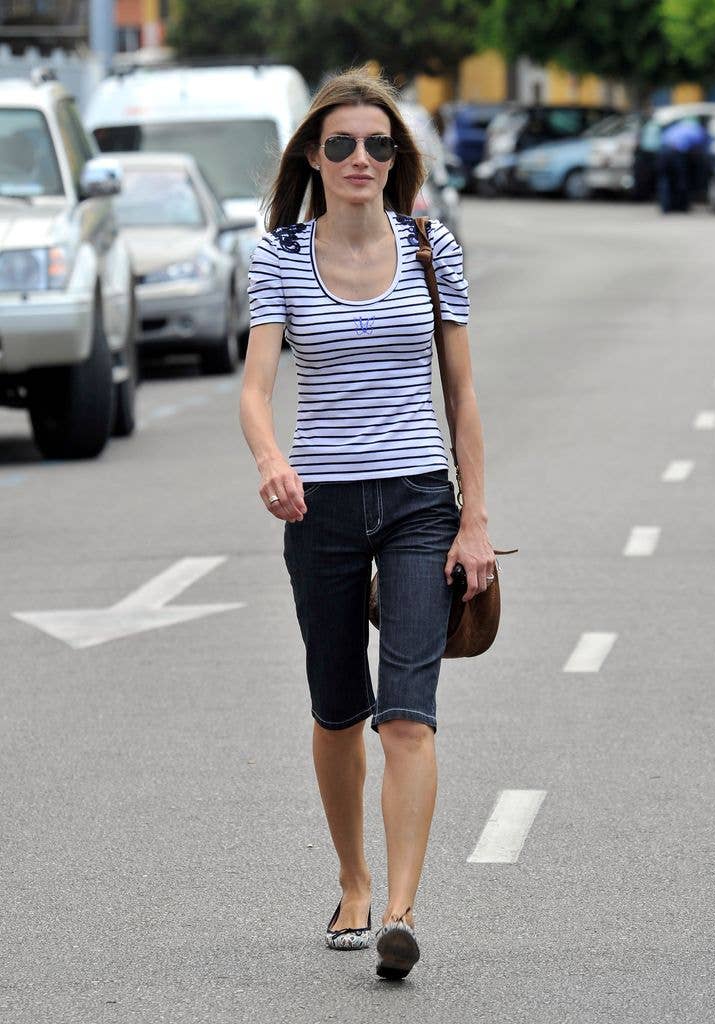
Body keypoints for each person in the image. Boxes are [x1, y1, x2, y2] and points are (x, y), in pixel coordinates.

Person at [239, 68, 495, 981]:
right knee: (338, 708)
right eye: (341, 144)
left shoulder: (431, 247)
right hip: (324, 507)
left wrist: (473, 518)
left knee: (406, 718)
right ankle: (351, 876)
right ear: (314, 154)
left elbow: (461, 395)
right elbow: (256, 387)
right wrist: (273, 460)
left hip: (422, 501)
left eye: (378, 145)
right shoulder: (277, 255)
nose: (360, 159)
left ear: (399, 159)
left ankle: (399, 908)